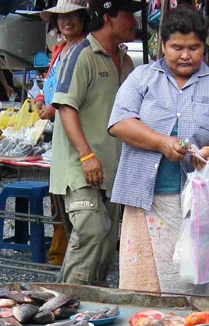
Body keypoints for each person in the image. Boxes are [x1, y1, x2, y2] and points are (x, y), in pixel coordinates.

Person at [98, 4, 209, 326]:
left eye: (193, 48)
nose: (185, 55)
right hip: (146, 195)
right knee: (140, 277)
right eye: (177, 47)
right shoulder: (143, 78)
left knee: (199, 275)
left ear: (205, 47)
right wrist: (162, 142)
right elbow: (119, 123)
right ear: (161, 45)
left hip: (199, 202)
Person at [50, 0, 141, 285]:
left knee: (105, 249)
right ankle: (65, 299)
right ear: (109, 17)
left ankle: (91, 305)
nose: (135, 22)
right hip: (80, 165)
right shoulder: (81, 53)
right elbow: (66, 107)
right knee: (91, 230)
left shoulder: (126, 62)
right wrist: (86, 156)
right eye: (129, 14)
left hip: (112, 169)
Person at [36, 0, 91, 266]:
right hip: (56, 133)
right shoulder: (60, 49)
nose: (66, 22)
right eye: (61, 17)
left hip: (75, 134)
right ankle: (59, 253)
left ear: (83, 18)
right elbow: (50, 85)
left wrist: (53, 108)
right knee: (57, 196)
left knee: (73, 199)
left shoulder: (85, 50)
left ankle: (67, 257)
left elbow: (74, 98)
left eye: (72, 16)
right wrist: (40, 99)